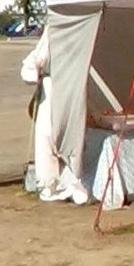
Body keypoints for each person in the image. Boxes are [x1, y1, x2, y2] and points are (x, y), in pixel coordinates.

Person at [20, 31, 89, 204]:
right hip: (53, 91)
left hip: (75, 86)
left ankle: (74, 182)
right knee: (47, 136)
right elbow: (31, 65)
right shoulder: (53, 32)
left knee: (69, 136)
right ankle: (50, 184)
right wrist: (37, 76)